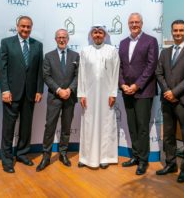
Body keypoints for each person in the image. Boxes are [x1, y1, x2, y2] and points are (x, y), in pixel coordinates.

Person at [155, 20, 184, 183]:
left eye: (181, 30)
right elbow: (159, 73)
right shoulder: (164, 53)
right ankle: (171, 164)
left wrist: (174, 92)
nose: (178, 33)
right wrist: (167, 92)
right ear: (172, 31)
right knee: (168, 135)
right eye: (175, 31)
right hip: (167, 101)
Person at [0, 16, 44, 173]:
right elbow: (1, 68)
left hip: (30, 94)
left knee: (26, 127)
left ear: (31, 27)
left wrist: (39, 90)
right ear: (17, 27)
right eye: (23, 26)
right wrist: (4, 90)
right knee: (8, 128)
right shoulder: (6, 43)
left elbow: (39, 71)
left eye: (28, 27)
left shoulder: (37, 45)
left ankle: (23, 154)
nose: (25, 29)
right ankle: (7, 159)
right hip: (11, 94)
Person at [119, 13, 159, 175]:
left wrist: (136, 85)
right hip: (126, 91)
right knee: (132, 126)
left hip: (143, 91)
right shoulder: (123, 43)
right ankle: (135, 156)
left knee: (142, 127)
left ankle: (143, 160)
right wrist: (122, 84)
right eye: (131, 22)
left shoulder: (151, 41)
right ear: (128, 24)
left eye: (137, 22)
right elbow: (120, 66)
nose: (134, 24)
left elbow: (151, 66)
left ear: (141, 23)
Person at [36, 29, 80, 172]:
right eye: (59, 37)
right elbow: (46, 76)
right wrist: (59, 90)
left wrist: (69, 90)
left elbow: (78, 76)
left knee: (66, 128)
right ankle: (46, 156)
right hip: (54, 97)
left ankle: (63, 153)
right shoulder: (48, 56)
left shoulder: (75, 55)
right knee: (50, 127)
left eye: (64, 37)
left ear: (68, 39)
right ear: (55, 39)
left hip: (70, 97)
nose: (62, 40)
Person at [77, 25, 120, 169]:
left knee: (106, 124)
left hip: (106, 95)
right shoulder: (85, 51)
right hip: (88, 95)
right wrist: (81, 94)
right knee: (88, 124)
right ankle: (85, 157)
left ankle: (105, 157)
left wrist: (113, 93)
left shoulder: (112, 51)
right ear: (91, 35)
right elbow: (81, 74)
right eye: (95, 33)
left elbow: (115, 73)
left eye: (100, 32)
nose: (97, 35)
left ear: (105, 35)